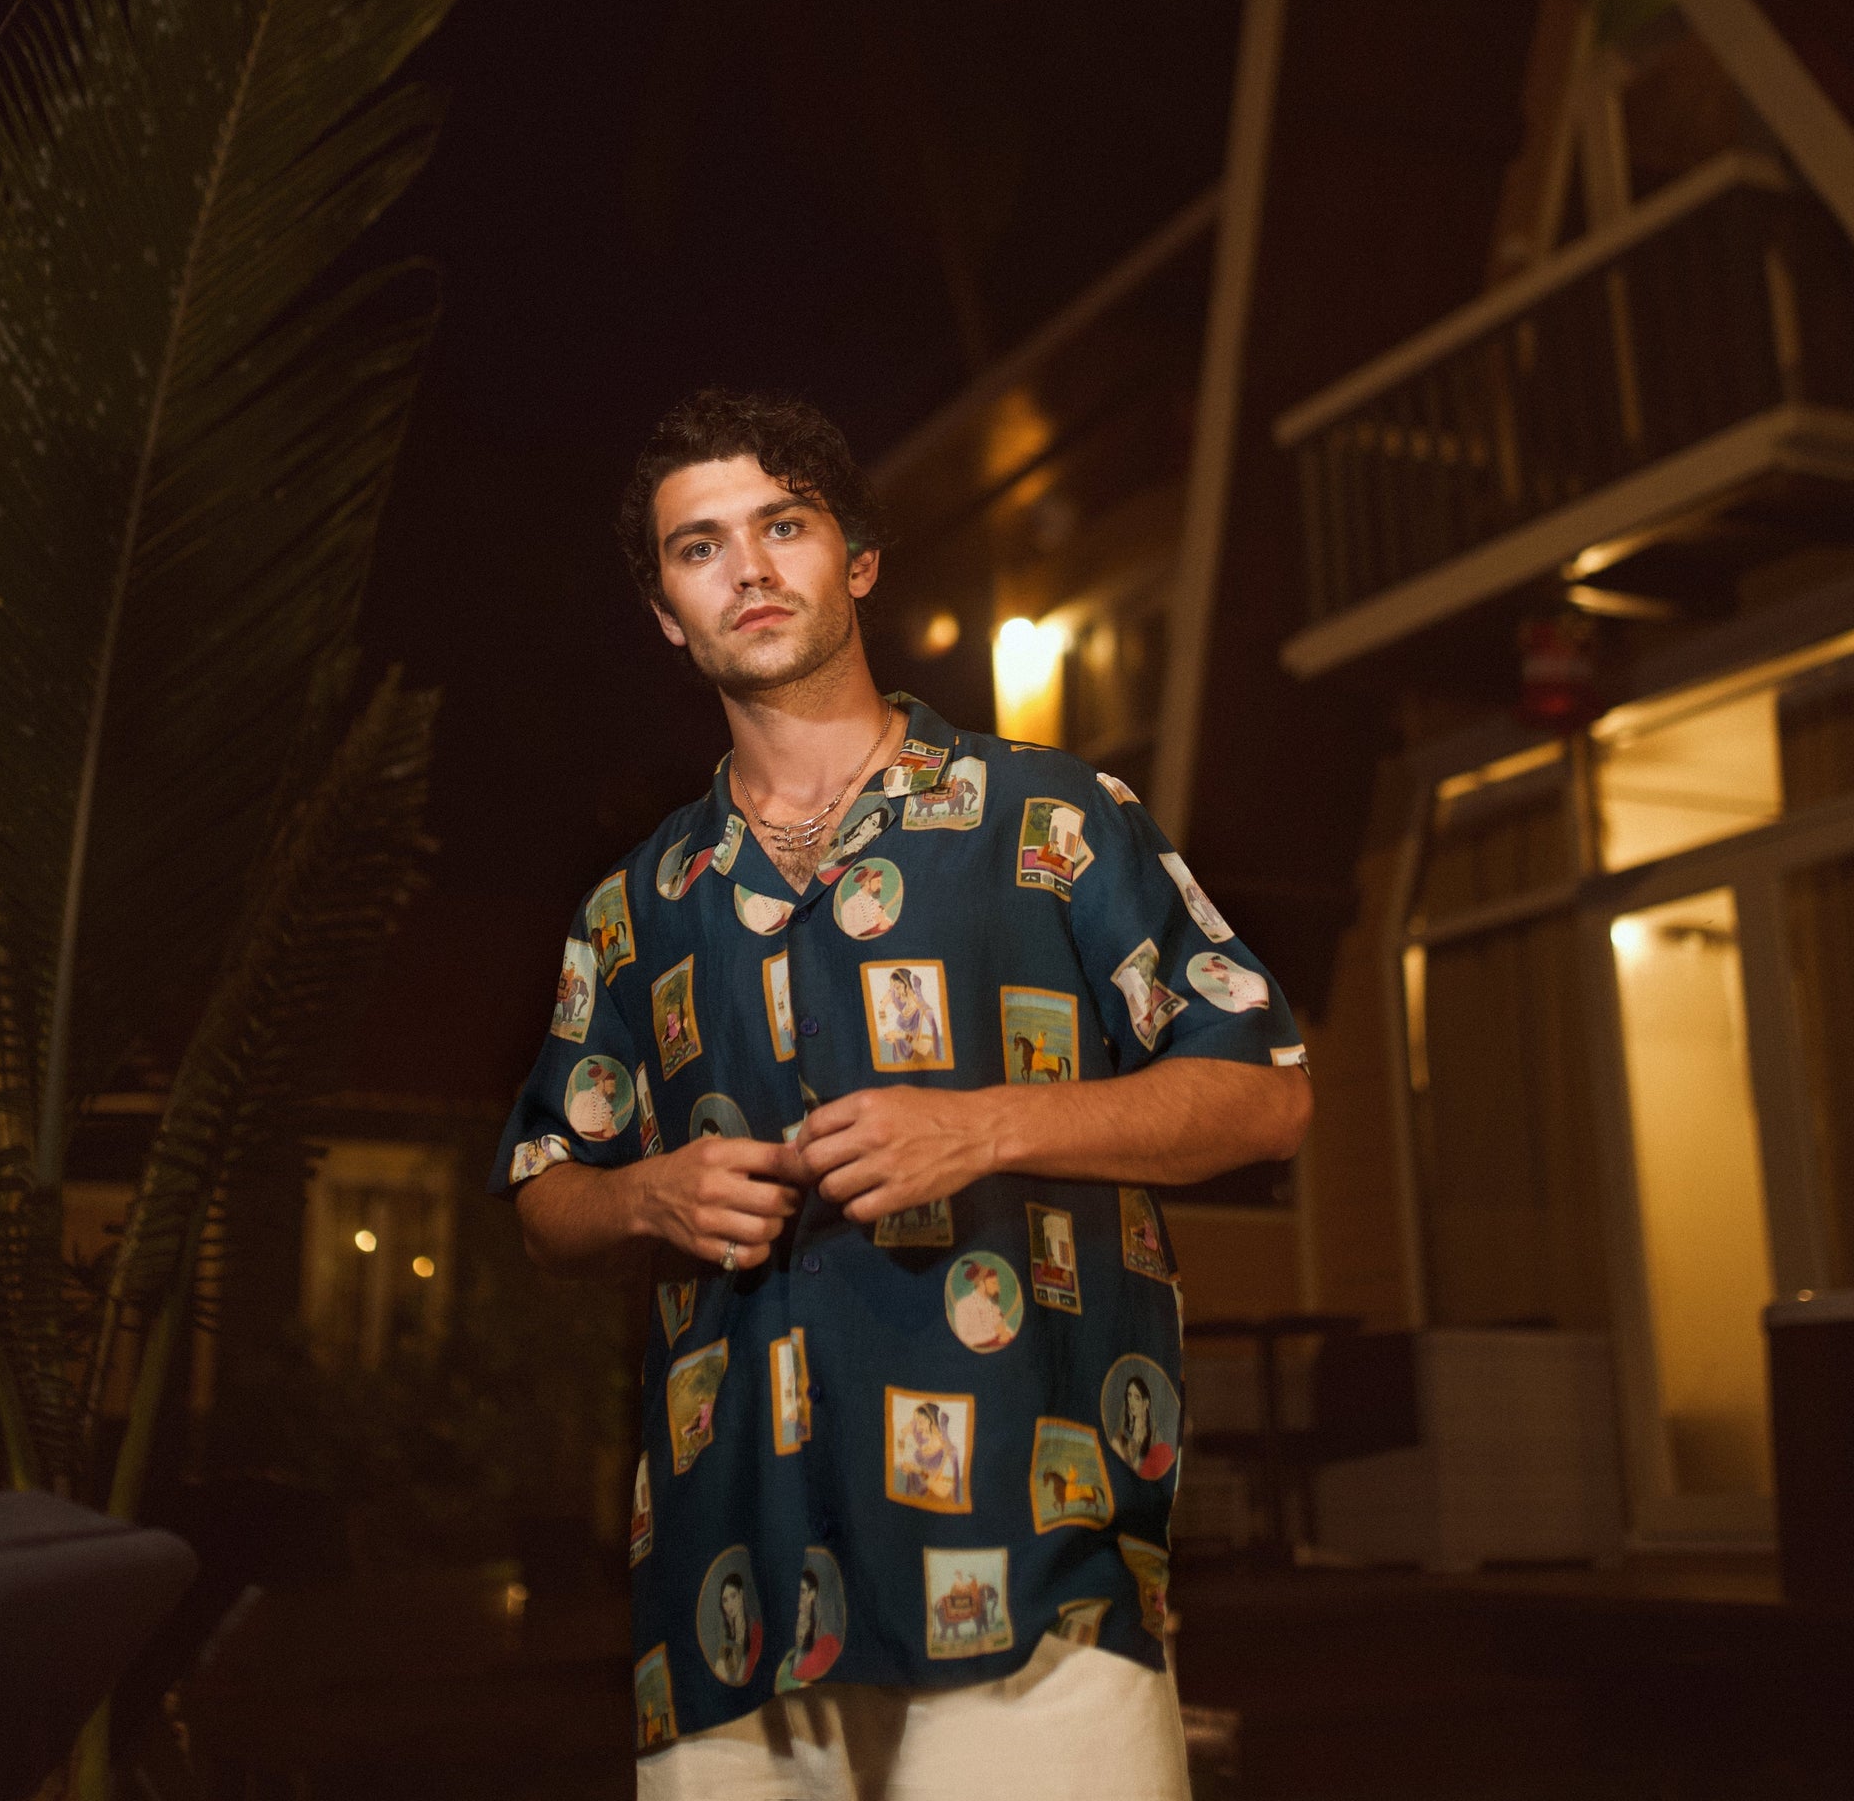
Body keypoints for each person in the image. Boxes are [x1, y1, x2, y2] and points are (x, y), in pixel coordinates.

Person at [494, 390, 1312, 1800]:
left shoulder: (1052, 820)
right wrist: (642, 1192)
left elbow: (1264, 1094)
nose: (746, 568)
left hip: (1031, 1568)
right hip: (727, 1594)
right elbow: (542, 1198)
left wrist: (987, 1122)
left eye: (783, 525)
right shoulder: (635, 908)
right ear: (665, 615)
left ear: (855, 562)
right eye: (699, 548)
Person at [1109, 1374, 1175, 1481]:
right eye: (1129, 1395)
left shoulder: (1154, 1438)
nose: (1132, 1402)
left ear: (1146, 1403)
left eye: (1137, 1397)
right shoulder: (1120, 1437)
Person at [952, 1259, 1016, 1351]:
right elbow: (964, 1339)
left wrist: (1008, 1334)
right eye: (993, 1283)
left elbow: (1004, 1328)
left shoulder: (994, 1307)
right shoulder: (963, 1305)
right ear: (981, 1283)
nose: (998, 1287)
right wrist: (995, 1333)